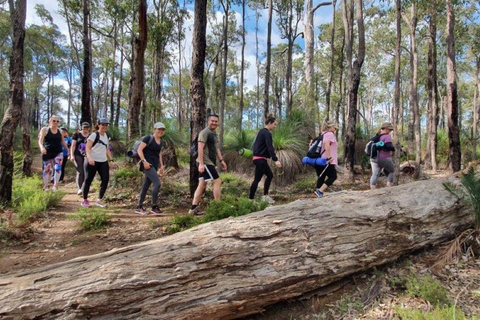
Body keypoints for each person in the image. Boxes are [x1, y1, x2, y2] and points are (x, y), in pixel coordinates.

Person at [188, 113, 227, 215]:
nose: (214, 123)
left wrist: (221, 160)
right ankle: (218, 207)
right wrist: (201, 163)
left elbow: (216, 148)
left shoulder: (214, 134)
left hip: (209, 162)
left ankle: (192, 209)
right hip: (205, 162)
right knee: (217, 181)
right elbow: (200, 147)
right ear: (208, 121)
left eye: (216, 121)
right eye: (212, 121)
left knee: (202, 185)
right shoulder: (204, 133)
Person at [249, 115, 282, 203]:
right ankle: (252, 199)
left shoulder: (261, 132)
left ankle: (261, 196)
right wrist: (276, 160)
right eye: (274, 124)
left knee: (269, 175)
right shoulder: (267, 133)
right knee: (258, 179)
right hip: (260, 159)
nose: (275, 126)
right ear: (270, 123)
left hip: (258, 159)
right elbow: (269, 147)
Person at [134, 122, 166, 215]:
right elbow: (139, 150)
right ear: (154, 129)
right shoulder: (148, 138)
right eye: (159, 129)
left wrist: (161, 165)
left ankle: (139, 207)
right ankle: (154, 206)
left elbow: (159, 153)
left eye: (162, 130)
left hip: (154, 165)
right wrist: (144, 161)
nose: (160, 131)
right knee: (157, 183)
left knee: (146, 186)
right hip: (147, 165)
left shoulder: (161, 141)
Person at [81, 118, 114, 207]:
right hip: (92, 161)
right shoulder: (94, 135)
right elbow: (87, 147)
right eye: (103, 124)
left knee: (105, 179)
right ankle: (84, 200)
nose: (104, 126)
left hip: (103, 161)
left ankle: (99, 200)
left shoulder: (106, 136)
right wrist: (90, 158)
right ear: (98, 125)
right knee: (88, 180)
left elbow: (107, 149)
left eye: (106, 125)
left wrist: (110, 160)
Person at [38, 116, 70, 191]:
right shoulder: (45, 130)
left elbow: (63, 142)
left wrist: (68, 150)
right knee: (47, 169)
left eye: (57, 121)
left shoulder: (60, 131)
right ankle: (46, 186)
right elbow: (40, 141)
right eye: (54, 121)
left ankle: (55, 185)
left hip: (58, 152)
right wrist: (42, 148)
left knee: (58, 168)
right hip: (47, 152)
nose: (55, 122)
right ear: (50, 121)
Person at [313, 122, 338, 198]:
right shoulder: (329, 134)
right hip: (326, 160)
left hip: (318, 160)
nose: (335, 130)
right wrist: (330, 157)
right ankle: (320, 191)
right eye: (335, 128)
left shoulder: (321, 135)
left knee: (321, 176)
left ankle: (318, 193)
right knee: (333, 176)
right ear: (331, 127)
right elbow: (327, 144)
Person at [370, 122, 396, 190]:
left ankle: (372, 189)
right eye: (390, 129)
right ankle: (389, 186)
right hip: (383, 157)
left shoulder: (375, 137)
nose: (390, 131)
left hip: (373, 158)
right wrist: (395, 149)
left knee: (375, 174)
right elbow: (388, 146)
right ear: (386, 129)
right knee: (392, 170)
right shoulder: (387, 136)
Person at [71, 122, 91, 195]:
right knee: (80, 171)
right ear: (81, 127)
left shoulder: (91, 136)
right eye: (84, 127)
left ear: (89, 128)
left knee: (87, 171)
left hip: (88, 155)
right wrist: (72, 155)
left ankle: (84, 187)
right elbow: (73, 145)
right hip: (78, 155)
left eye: (87, 127)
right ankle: (79, 188)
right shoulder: (76, 135)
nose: (85, 129)